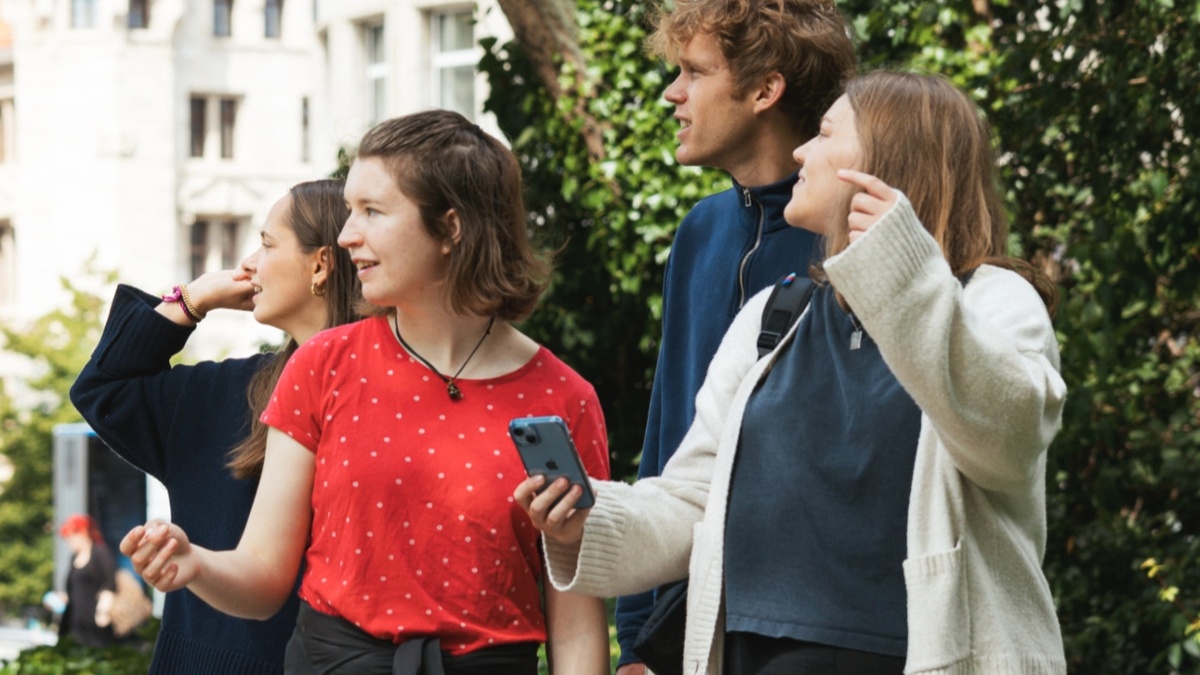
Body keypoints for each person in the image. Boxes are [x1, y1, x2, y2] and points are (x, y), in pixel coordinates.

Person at [518, 71, 1068, 675]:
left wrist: (905, 271)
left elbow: (1006, 440)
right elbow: (695, 500)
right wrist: (590, 522)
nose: (802, 150)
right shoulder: (774, 313)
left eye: (826, 134)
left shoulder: (994, 302)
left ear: (885, 163)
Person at [120, 110, 612, 675]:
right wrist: (195, 565)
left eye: (372, 212)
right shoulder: (323, 365)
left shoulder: (564, 397)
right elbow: (261, 578)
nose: (347, 234)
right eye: (350, 210)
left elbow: (575, 625)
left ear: (451, 227)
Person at [618, 2, 857, 671]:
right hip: (687, 627)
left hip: (810, 626)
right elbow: (669, 433)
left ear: (764, 90)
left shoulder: (854, 235)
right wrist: (637, 638)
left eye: (693, 72)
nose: (673, 93)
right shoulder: (700, 230)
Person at [69, 178, 360, 674]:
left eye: (267, 244)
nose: (248, 262)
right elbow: (103, 389)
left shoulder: (392, 399)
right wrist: (191, 300)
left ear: (321, 264)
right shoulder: (228, 393)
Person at [56, 514, 118, 648]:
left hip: (97, 626)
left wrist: (104, 610)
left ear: (83, 532)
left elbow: (111, 583)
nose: (68, 541)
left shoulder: (100, 553)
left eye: (71, 536)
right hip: (75, 625)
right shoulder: (74, 557)